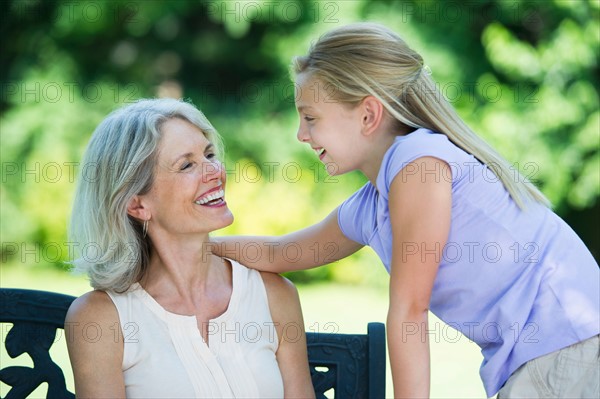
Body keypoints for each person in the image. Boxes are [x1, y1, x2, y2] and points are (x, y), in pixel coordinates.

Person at [211, 22, 600, 398]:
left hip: (567, 341)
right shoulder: (372, 205)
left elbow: (410, 312)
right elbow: (281, 253)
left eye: (311, 118)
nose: (301, 134)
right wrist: (197, 244)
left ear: (367, 114)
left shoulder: (419, 164)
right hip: (555, 349)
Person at [65, 98, 315, 398]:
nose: (214, 172)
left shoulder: (275, 294)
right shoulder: (101, 318)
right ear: (137, 204)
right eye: (187, 165)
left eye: (209, 154)